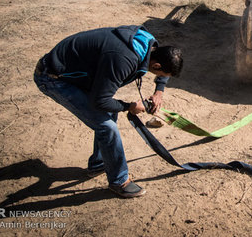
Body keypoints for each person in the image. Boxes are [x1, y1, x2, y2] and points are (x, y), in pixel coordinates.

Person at [33, 25, 183, 198]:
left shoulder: (148, 42)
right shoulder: (123, 59)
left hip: (70, 69)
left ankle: (99, 163)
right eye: (163, 74)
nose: (163, 77)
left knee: (110, 113)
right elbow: (100, 101)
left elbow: (163, 68)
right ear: (156, 64)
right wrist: (130, 107)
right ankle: (119, 181)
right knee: (107, 126)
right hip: (53, 77)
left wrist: (159, 91)